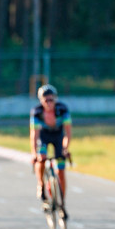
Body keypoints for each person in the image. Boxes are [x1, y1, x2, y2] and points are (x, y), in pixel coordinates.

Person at [30, 84, 72, 217]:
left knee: (60, 170)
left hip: (58, 137)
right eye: (45, 100)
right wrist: (34, 152)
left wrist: (65, 148)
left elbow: (68, 133)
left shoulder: (62, 110)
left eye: (51, 99)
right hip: (43, 137)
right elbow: (34, 135)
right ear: (41, 101)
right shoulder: (37, 112)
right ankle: (41, 184)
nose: (49, 103)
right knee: (41, 158)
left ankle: (62, 203)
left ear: (55, 99)